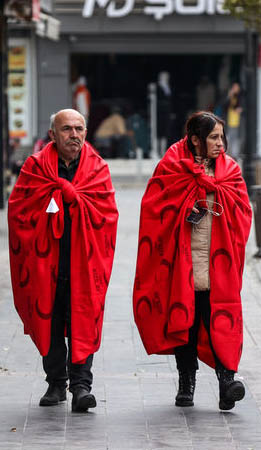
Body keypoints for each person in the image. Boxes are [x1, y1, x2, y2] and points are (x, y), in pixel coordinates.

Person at [132, 111, 252, 410]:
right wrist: (179, 215)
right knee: (185, 324)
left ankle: (227, 382)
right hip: (180, 267)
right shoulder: (171, 169)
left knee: (220, 323)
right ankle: (186, 383)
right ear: (195, 140)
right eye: (213, 137)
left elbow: (243, 213)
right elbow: (153, 210)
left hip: (218, 267)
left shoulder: (230, 172)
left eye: (222, 137)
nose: (220, 143)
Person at [7, 109, 119, 412]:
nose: (74, 135)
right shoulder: (35, 168)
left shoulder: (97, 168)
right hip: (46, 265)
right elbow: (18, 211)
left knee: (84, 321)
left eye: (79, 128)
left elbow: (108, 215)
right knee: (50, 322)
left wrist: (75, 199)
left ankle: (81, 386)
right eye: (67, 129)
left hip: (84, 262)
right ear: (53, 135)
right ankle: (56, 382)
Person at [217, 83, 243, 161]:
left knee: (236, 139)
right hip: (228, 121)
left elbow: (243, 107)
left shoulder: (240, 97)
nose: (235, 89)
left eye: (237, 87)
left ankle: (235, 156)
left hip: (237, 122)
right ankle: (226, 155)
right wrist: (229, 95)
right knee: (227, 138)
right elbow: (222, 104)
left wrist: (240, 109)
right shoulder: (228, 95)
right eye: (234, 87)